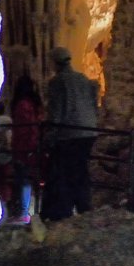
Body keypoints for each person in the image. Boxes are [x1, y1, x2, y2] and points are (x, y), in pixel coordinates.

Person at [42, 46, 100, 221]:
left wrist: (49, 136)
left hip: (69, 133)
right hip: (88, 132)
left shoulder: (58, 82)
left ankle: (62, 212)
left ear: (54, 63)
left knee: (62, 173)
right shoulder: (83, 78)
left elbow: (57, 112)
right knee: (80, 171)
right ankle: (83, 207)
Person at [8, 74, 44, 224]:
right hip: (30, 146)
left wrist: (22, 148)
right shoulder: (34, 105)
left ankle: (23, 213)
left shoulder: (23, 105)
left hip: (24, 147)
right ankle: (24, 211)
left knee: (23, 179)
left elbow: (24, 129)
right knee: (26, 179)